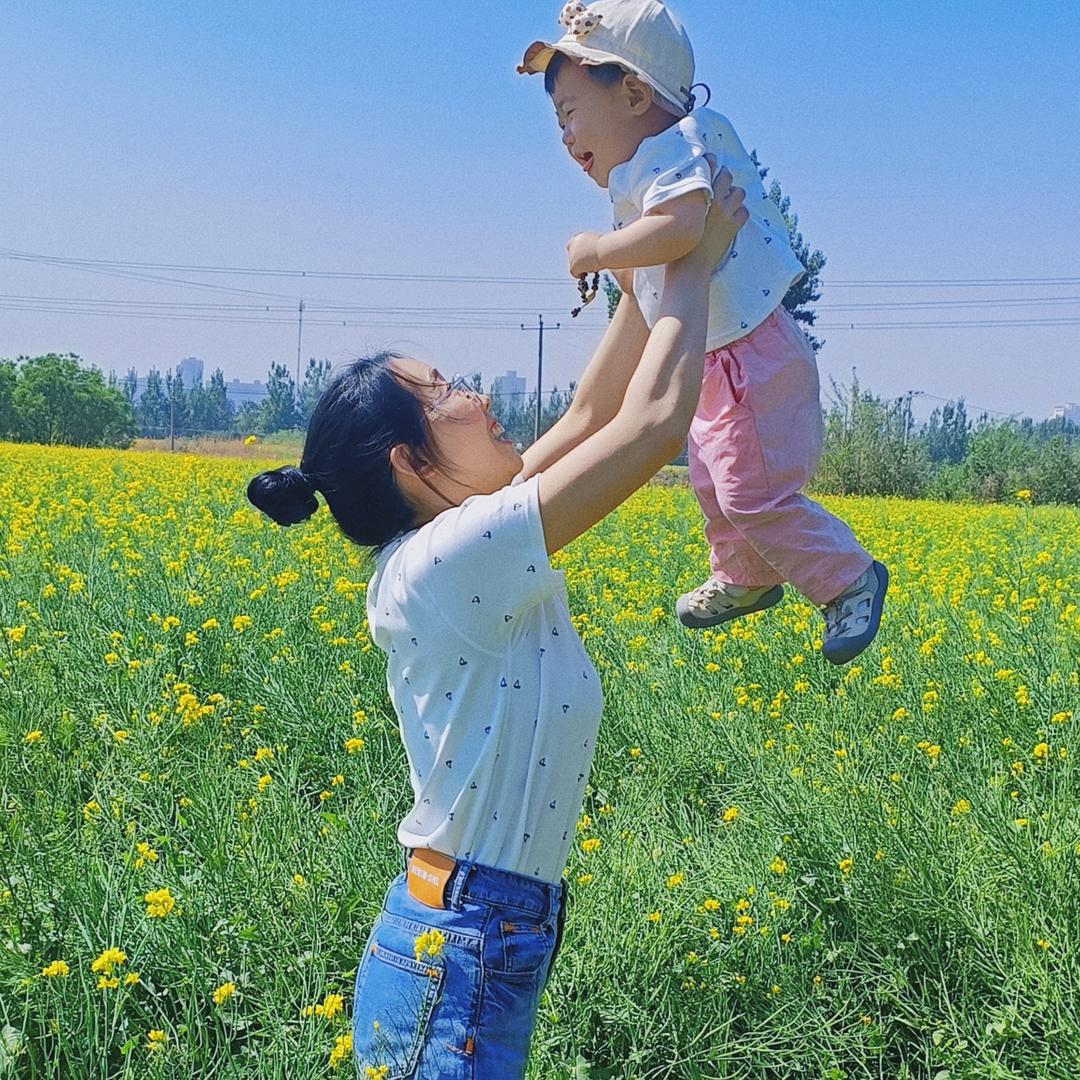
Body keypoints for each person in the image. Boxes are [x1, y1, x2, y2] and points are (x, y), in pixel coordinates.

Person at [246, 168, 746, 1079]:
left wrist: (650, 254)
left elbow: (593, 413)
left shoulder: (455, 539)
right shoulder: (451, 559)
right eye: (446, 393)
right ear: (409, 459)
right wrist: (698, 264)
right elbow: (652, 426)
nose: (475, 394)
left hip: (469, 938)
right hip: (461, 951)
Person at [518, 0, 888, 664]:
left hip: (752, 353)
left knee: (752, 493)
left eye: (570, 113)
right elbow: (664, 274)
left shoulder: (675, 148)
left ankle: (848, 578)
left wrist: (596, 251)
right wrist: (629, 275)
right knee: (715, 484)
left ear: (633, 93)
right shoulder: (647, 171)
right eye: (557, 121)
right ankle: (746, 576)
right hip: (724, 355)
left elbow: (686, 231)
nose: (565, 137)